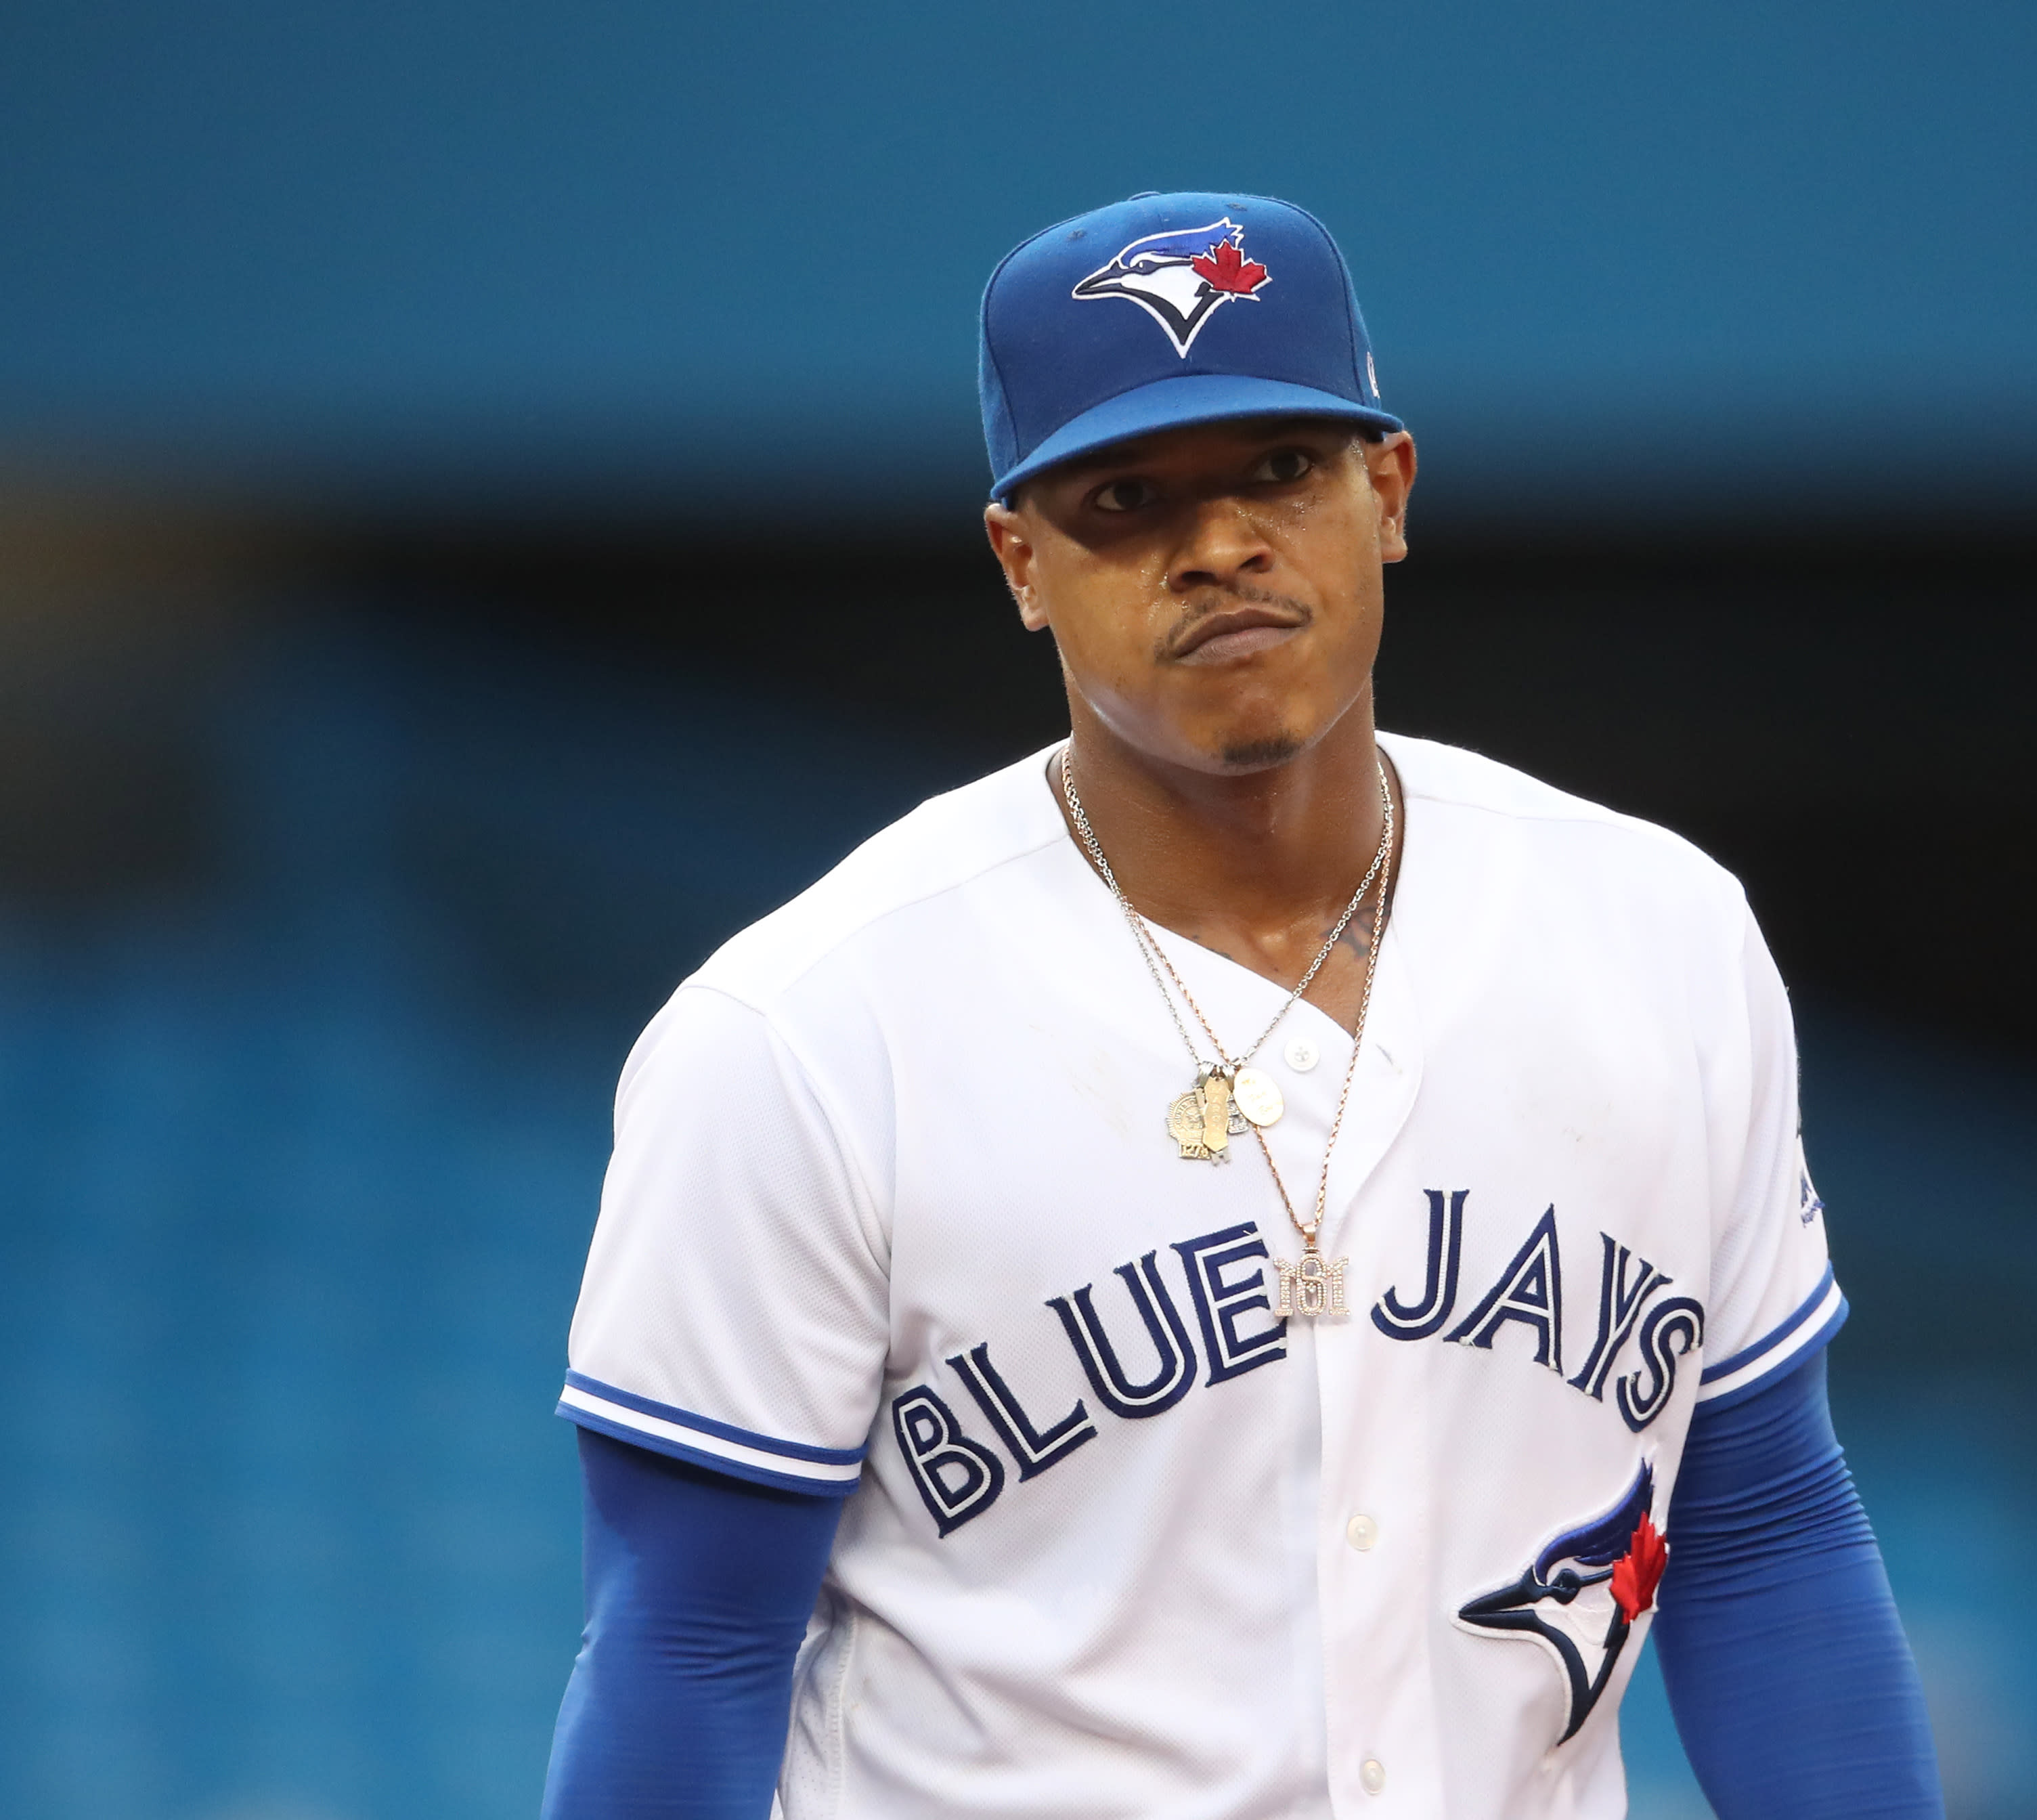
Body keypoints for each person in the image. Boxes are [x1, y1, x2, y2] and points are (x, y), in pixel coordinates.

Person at [540, 191, 1944, 1819]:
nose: (1218, 545)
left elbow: (1761, 1533)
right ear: (1021, 565)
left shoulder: (1658, 936)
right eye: (1127, 499)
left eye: (1279, 469)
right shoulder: (802, 1038)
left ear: (1388, 491)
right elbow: (686, 1653)